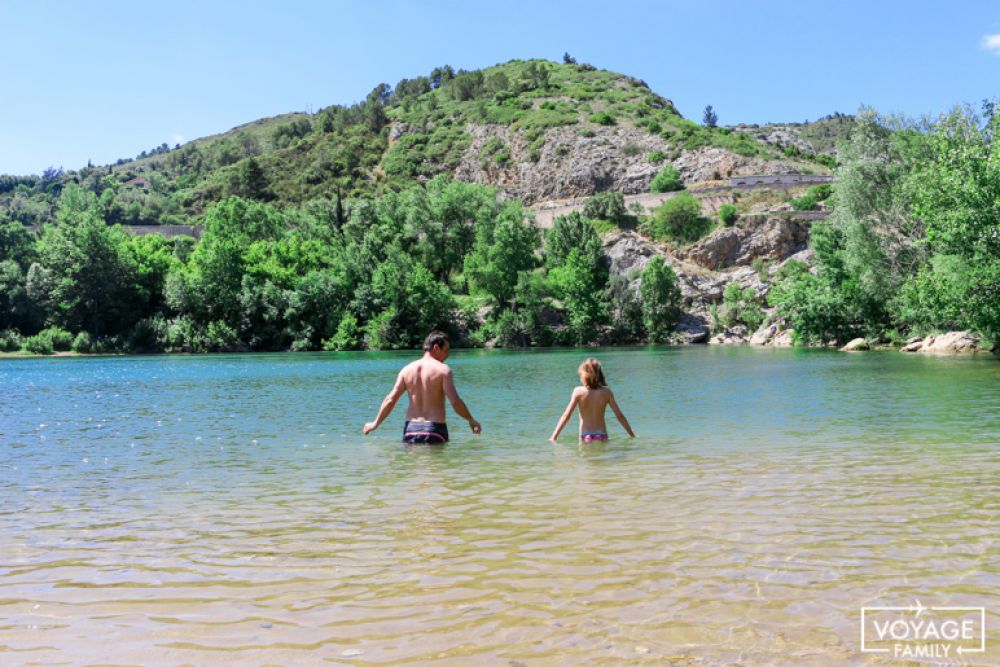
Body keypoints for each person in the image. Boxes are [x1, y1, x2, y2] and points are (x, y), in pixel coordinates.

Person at [363, 331, 481, 444]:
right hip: (434, 430)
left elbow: (390, 399)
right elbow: (455, 402)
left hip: (410, 430)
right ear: (436, 348)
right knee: (436, 465)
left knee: (414, 464)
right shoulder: (443, 370)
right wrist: (470, 419)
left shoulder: (406, 370)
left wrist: (375, 424)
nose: (447, 355)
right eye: (446, 350)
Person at [549, 358, 635, 443]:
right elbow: (619, 416)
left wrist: (554, 436)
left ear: (584, 377)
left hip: (585, 435)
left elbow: (566, 416)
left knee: (586, 456)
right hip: (602, 435)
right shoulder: (607, 392)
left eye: (580, 375)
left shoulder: (578, 391)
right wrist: (632, 434)